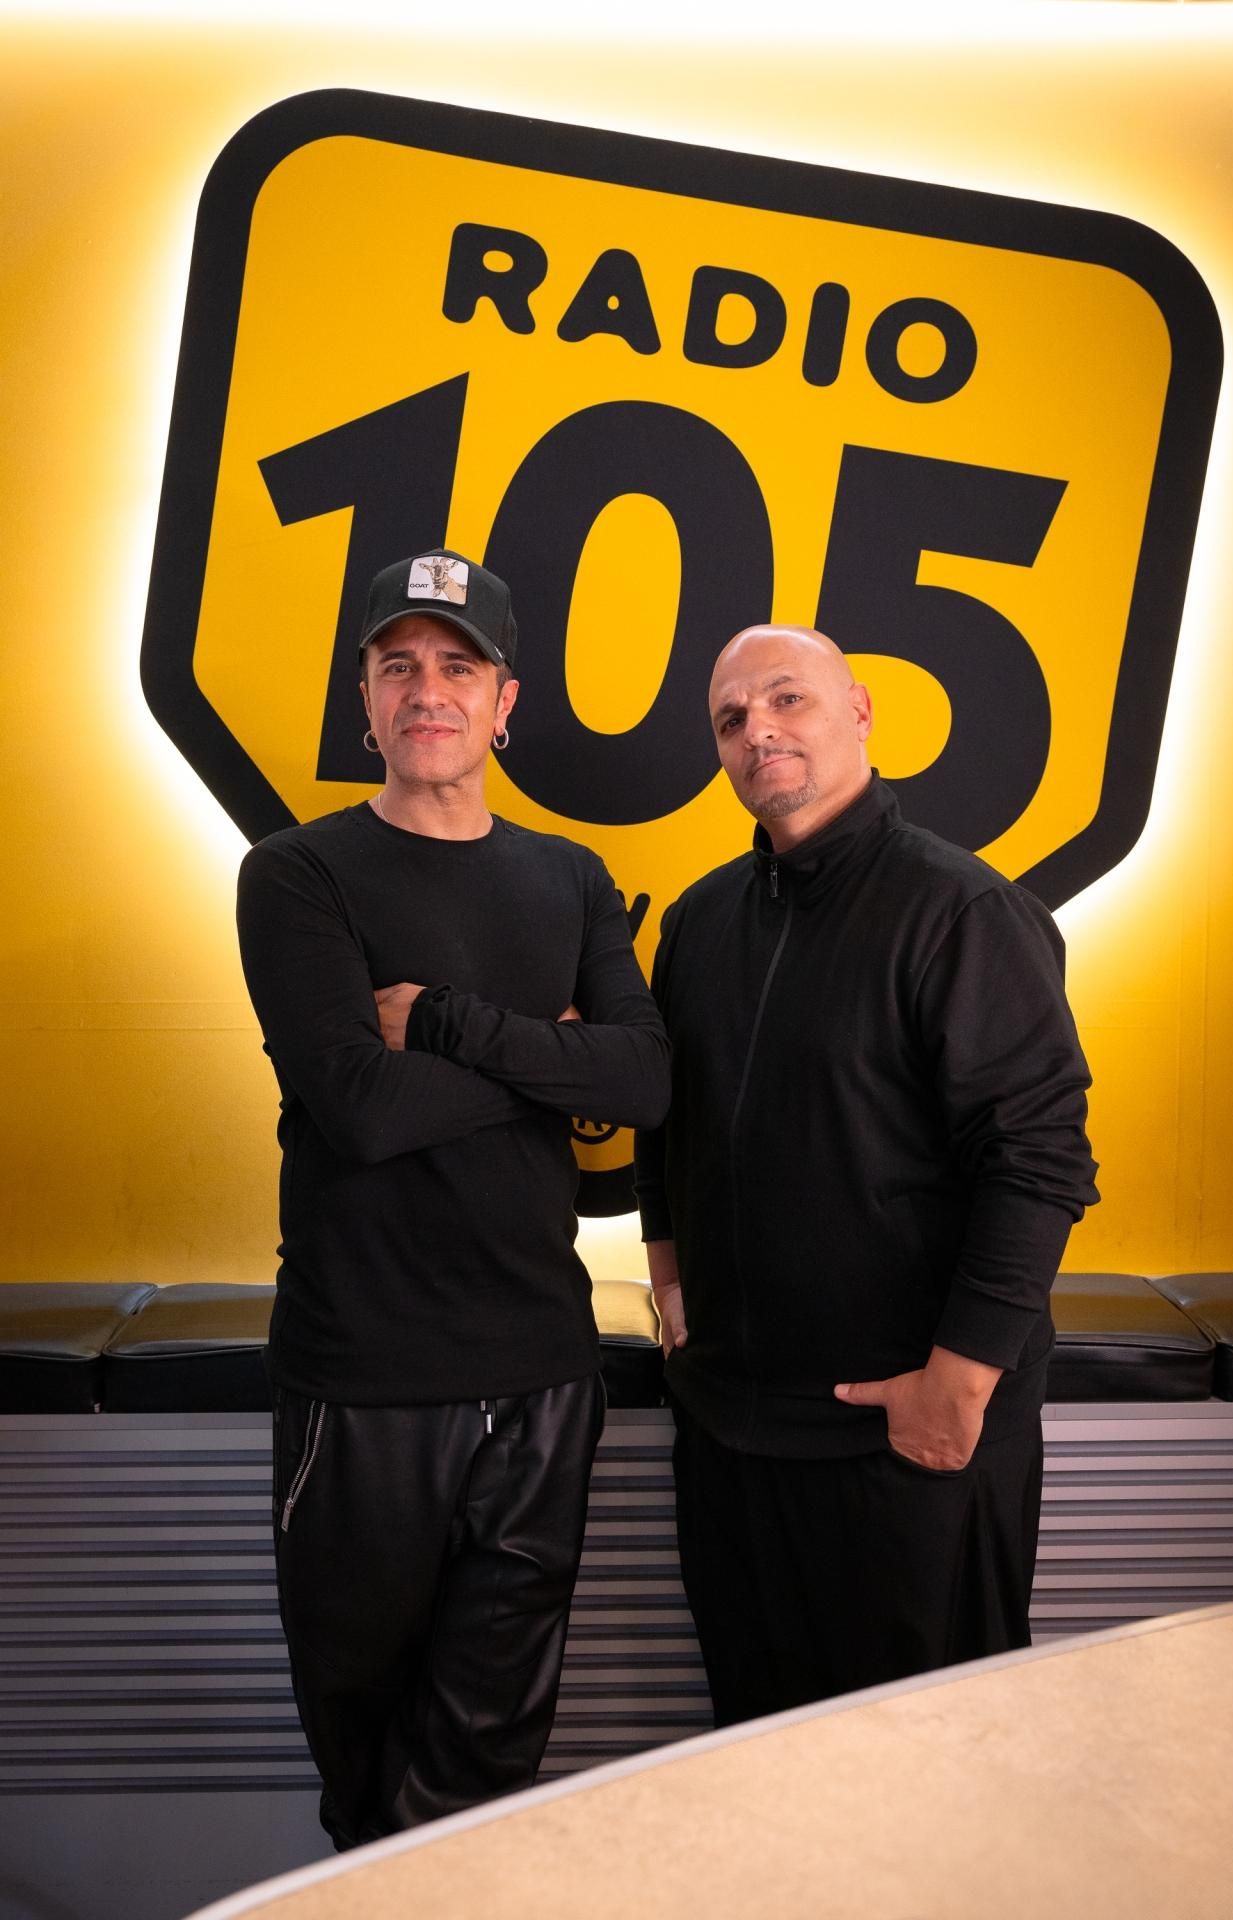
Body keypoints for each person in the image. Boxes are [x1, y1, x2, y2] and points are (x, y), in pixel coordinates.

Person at [236, 548, 670, 1847]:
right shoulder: (296, 873)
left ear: (504, 702)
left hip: (541, 1377)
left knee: (487, 1769)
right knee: (368, 1772)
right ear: (366, 701)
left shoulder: (570, 876)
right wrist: (549, 1059)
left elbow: (646, 1078)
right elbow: (359, 1111)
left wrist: (444, 1024)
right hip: (361, 1382)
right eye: (399, 667)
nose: (428, 691)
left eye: (458, 667)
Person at [634, 623, 1098, 1727]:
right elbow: (666, 1118)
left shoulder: (963, 910)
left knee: (934, 1779)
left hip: (904, 1447)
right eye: (732, 719)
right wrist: (667, 1267)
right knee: (759, 1765)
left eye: (786, 699)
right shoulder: (698, 920)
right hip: (734, 1441)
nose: (758, 731)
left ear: (859, 712)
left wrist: (958, 1384)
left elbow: (1039, 1157)